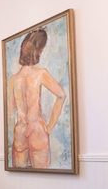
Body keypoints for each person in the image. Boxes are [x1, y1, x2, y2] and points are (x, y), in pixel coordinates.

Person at [7, 29, 66, 168]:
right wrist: (49, 128)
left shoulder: (13, 80)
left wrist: (14, 133)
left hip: (20, 131)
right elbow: (61, 95)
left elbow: (10, 113)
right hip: (37, 130)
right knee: (45, 179)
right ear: (38, 50)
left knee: (20, 179)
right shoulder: (41, 73)